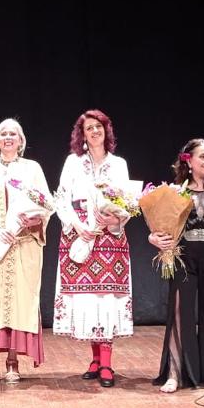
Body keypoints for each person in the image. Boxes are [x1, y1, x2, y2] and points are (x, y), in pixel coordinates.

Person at [52, 109, 133, 388]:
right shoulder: (73, 162)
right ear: (82, 134)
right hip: (80, 235)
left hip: (110, 239)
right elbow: (61, 198)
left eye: (98, 126)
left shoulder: (118, 164)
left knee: (106, 298)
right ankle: (96, 359)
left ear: (106, 130)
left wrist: (116, 219)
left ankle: (107, 362)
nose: (95, 131)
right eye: (89, 128)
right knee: (88, 299)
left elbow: (127, 200)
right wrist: (77, 226)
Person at [149, 139, 204, 393]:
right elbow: (159, 227)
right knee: (180, 313)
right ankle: (175, 373)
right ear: (189, 161)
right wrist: (153, 238)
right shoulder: (177, 191)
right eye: (203, 156)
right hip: (184, 256)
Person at [0, 119, 50, 387]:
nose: (8, 137)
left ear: (21, 140)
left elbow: (45, 203)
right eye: (3, 133)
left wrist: (34, 220)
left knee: (18, 302)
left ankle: (13, 361)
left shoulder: (32, 168)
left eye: (13, 133)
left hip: (22, 243)